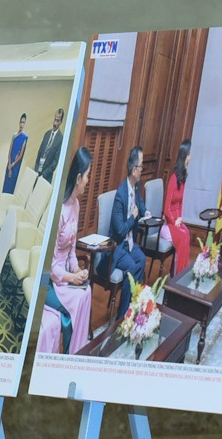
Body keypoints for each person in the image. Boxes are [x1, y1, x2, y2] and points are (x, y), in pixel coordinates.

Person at [37, 148, 93, 354]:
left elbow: (71, 250)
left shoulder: (76, 205)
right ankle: (67, 356)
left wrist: (77, 271)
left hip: (65, 275)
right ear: (78, 178)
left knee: (86, 291)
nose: (88, 180)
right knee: (71, 314)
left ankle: (77, 351)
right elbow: (50, 266)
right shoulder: (59, 211)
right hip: (50, 281)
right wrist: (71, 278)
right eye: (87, 175)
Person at [99, 145, 148, 321]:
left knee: (142, 259)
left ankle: (135, 304)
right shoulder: (121, 194)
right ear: (134, 169)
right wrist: (134, 217)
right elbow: (119, 230)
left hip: (130, 242)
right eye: (141, 166)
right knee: (132, 268)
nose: (142, 170)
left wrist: (144, 212)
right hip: (118, 246)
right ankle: (123, 316)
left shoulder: (136, 185)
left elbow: (140, 202)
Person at [163, 140, 192, 275]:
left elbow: (180, 204)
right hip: (169, 222)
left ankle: (180, 273)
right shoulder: (173, 179)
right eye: (189, 155)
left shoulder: (182, 178)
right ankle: (176, 275)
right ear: (183, 156)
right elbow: (166, 208)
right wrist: (175, 221)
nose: (190, 158)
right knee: (182, 237)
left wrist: (180, 218)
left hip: (176, 220)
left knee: (187, 233)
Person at [33, 106, 67, 184]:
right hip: (37, 172)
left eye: (58, 121)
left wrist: (43, 175)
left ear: (61, 122)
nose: (55, 123)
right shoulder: (47, 134)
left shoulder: (61, 139)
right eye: (55, 120)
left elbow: (55, 162)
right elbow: (39, 153)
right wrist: (36, 170)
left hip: (46, 177)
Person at [3, 114, 28, 196]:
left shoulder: (24, 137)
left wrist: (13, 165)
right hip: (9, 164)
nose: (21, 124)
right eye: (20, 122)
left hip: (15, 166)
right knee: (5, 186)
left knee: (10, 188)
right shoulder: (14, 135)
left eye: (23, 122)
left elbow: (20, 155)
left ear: (25, 124)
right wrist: (9, 165)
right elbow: (10, 151)